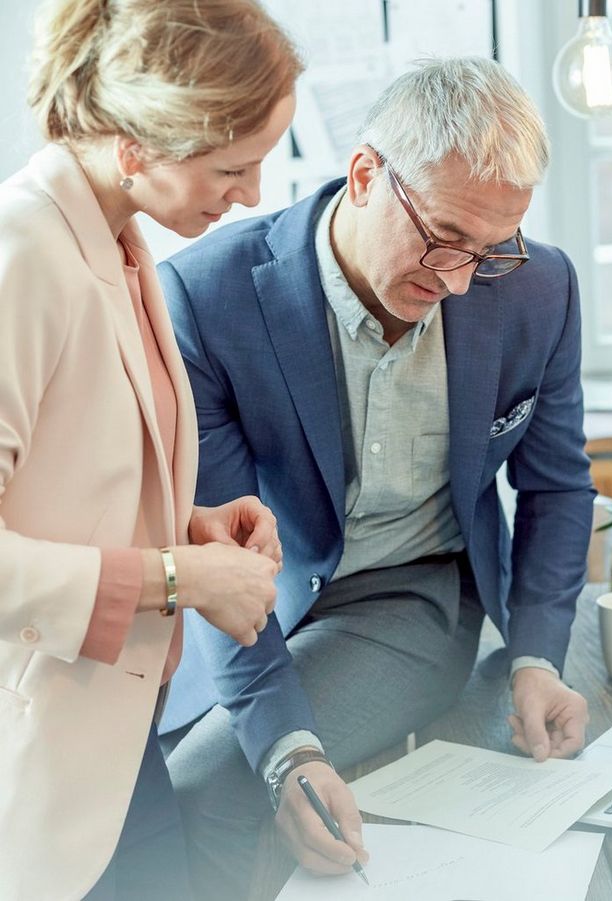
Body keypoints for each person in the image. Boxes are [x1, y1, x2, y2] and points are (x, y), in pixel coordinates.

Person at [160, 57, 595, 900]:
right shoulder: (207, 297)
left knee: (208, 787)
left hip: (415, 597)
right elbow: (217, 547)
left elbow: (556, 489)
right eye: (442, 238)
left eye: (492, 248)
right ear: (364, 176)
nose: (462, 278)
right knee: (171, 784)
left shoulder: (540, 288)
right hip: (256, 596)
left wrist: (537, 656)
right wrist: (290, 747)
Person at [0, 1, 303, 898]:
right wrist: (179, 578)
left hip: (118, 730)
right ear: (137, 146)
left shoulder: (119, 241)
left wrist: (191, 525)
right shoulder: (22, 257)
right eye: (232, 168)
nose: (250, 195)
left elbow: (62, 479)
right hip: (42, 745)